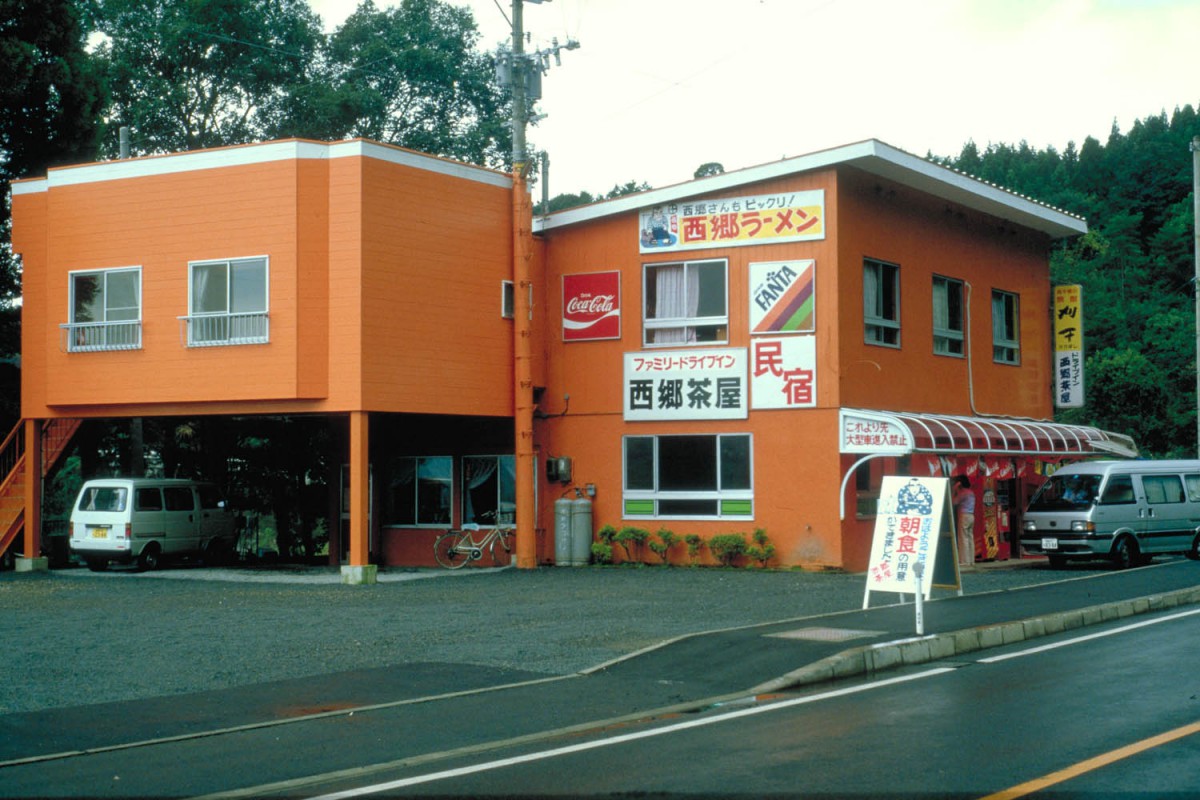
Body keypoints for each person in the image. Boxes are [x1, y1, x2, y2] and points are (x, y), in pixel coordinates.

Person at [952, 475, 976, 567]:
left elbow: (954, 502)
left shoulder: (963, 493)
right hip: (971, 515)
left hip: (964, 516)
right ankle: (971, 560)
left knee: (963, 538)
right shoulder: (971, 492)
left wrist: (954, 490)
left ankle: (964, 561)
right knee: (970, 538)